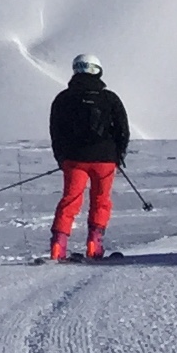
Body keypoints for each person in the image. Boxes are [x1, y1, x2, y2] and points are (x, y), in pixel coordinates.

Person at [47, 55, 131, 260]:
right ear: (97, 70)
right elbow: (123, 130)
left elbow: (56, 131)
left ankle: (58, 248)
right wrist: (118, 155)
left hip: (74, 159)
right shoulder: (109, 98)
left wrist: (61, 157)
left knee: (70, 200)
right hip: (105, 159)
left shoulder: (63, 98)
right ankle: (95, 246)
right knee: (101, 201)